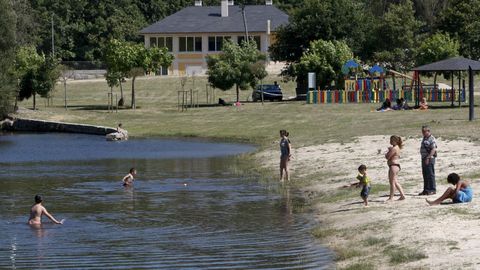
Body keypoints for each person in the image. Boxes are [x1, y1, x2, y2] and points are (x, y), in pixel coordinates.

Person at [385, 135, 406, 201]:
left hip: (393, 166)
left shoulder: (394, 148)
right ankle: (402, 195)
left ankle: (391, 198)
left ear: (395, 141)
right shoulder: (397, 147)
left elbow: (387, 157)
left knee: (392, 182)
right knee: (395, 182)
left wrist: (388, 151)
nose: (390, 141)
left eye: (391, 140)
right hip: (396, 166)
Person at [419, 125, 437, 195]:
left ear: (428, 131)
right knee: (425, 174)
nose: (423, 133)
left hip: (429, 159)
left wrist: (428, 157)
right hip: (424, 158)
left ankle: (432, 189)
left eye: (424, 131)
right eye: (422, 131)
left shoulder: (431, 139)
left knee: (430, 174)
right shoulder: (425, 138)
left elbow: (433, 149)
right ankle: (426, 190)